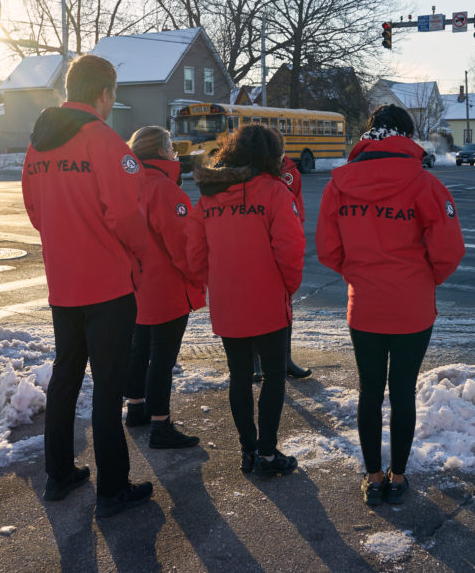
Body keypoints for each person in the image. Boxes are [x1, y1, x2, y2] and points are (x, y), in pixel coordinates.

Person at [21, 54, 153, 519]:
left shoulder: (38, 145)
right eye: (113, 94)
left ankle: (59, 475)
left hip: (63, 284)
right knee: (108, 388)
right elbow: (127, 216)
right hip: (108, 285)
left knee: (66, 378)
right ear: (104, 93)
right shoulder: (105, 141)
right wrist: (135, 253)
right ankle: (112, 489)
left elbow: (34, 211)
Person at [315, 104, 465, 507]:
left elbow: (327, 250)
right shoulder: (425, 185)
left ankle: (372, 476)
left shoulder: (339, 185)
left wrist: (358, 274)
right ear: (406, 137)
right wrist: (421, 280)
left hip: (364, 306)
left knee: (368, 392)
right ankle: (398, 477)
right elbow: (449, 251)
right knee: (401, 393)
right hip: (412, 308)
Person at [185, 123, 306, 477]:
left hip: (227, 299)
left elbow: (193, 253)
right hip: (268, 299)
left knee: (238, 375)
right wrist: (287, 287)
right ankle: (267, 453)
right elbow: (291, 248)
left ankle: (248, 451)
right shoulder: (274, 192)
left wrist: (216, 281)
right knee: (272, 375)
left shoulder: (208, 198)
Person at [123, 126, 206, 449]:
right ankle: (161, 425)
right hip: (166, 287)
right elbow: (183, 245)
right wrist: (198, 276)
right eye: (170, 146)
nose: (175, 152)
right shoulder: (165, 190)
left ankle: (136, 408)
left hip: (135, 285)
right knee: (162, 358)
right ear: (160, 151)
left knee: (138, 349)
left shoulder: (127, 184)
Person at [252, 130, 312, 382]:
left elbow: (296, 208)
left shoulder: (290, 171)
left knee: (284, 307)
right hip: (256, 246)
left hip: (283, 242)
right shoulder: (252, 170)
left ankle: (284, 358)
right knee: (253, 306)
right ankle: (255, 361)